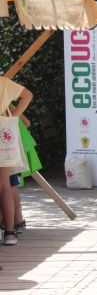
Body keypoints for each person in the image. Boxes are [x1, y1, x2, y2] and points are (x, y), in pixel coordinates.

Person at [0, 76, 33, 246]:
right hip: (2, 131)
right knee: (6, 187)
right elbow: (27, 95)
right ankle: (10, 233)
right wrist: (13, 116)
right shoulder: (3, 82)